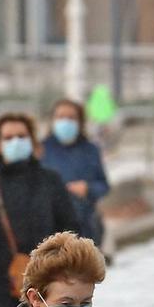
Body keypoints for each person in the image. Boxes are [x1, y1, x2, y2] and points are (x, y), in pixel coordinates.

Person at [0, 113, 81, 307]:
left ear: (32, 142)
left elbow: (71, 230)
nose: (15, 142)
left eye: (21, 136)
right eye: (8, 137)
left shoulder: (50, 181)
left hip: (47, 288)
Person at [38, 98, 111, 242]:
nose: (65, 122)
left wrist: (87, 188)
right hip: (50, 229)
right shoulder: (41, 150)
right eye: (60, 117)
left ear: (80, 122)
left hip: (85, 227)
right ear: (52, 120)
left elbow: (103, 185)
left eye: (71, 117)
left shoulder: (90, 150)